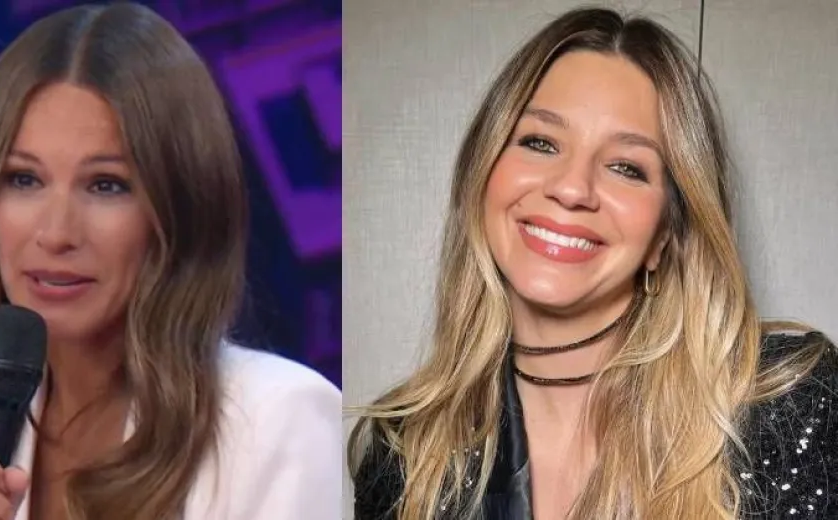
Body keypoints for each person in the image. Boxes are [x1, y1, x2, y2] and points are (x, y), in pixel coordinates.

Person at [348, 7, 837, 520]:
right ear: (482, 173)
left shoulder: (788, 405)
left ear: (666, 234)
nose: (571, 188)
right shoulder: (402, 454)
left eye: (626, 167)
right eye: (540, 142)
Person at [0, 3, 341, 520]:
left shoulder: (279, 424)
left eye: (106, 185)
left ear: (178, 208)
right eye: (24, 179)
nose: (56, 233)